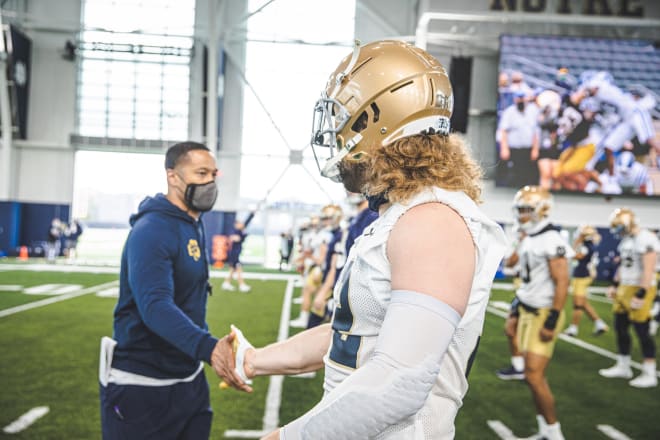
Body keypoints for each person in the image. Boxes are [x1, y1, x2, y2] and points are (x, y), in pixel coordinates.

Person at [228, 40, 507, 439]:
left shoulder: (433, 220)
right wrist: (253, 360)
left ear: (377, 121)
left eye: (345, 119)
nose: (336, 135)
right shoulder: (406, 213)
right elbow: (357, 332)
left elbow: (399, 382)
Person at [98, 141, 249, 439]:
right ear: (173, 176)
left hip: (188, 378)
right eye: (201, 173)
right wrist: (210, 348)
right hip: (142, 384)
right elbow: (155, 306)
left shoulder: (193, 222)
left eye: (213, 174)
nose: (209, 182)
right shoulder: (152, 229)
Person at [506, 186, 573, 440]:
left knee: (534, 376)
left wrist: (553, 319)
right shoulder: (530, 236)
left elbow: (562, 282)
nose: (522, 214)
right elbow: (514, 266)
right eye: (520, 209)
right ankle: (545, 428)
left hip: (543, 312)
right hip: (526, 308)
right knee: (530, 376)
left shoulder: (552, 240)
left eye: (526, 209)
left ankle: (555, 433)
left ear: (541, 210)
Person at [599, 208, 659, 388]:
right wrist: (615, 285)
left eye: (619, 226)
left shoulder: (646, 238)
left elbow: (648, 269)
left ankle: (649, 372)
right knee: (621, 327)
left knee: (642, 330)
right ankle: (623, 365)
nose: (618, 231)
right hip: (625, 286)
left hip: (639, 286)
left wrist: (641, 292)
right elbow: (623, 266)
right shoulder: (626, 240)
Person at [563, 225, 609, 337]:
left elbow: (573, 255)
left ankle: (573, 328)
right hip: (582, 275)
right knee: (583, 303)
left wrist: (576, 242)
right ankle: (600, 323)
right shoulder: (588, 246)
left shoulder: (586, 247)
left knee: (578, 304)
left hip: (582, 276)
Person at [497, 90, 540, 187]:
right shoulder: (509, 112)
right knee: (514, 175)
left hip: (528, 149)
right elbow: (503, 131)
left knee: (528, 176)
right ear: (515, 99)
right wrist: (504, 148)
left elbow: (536, 132)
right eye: (518, 98)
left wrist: (535, 149)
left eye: (522, 98)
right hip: (514, 149)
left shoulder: (532, 111)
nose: (520, 100)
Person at [222, 212, 255, 292]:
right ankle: (241, 285)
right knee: (238, 269)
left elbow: (246, 223)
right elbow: (233, 238)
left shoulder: (241, 231)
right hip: (233, 254)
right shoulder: (235, 231)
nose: (241, 224)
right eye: (239, 223)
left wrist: (252, 214)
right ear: (236, 224)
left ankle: (226, 283)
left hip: (236, 253)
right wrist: (235, 238)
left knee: (232, 270)